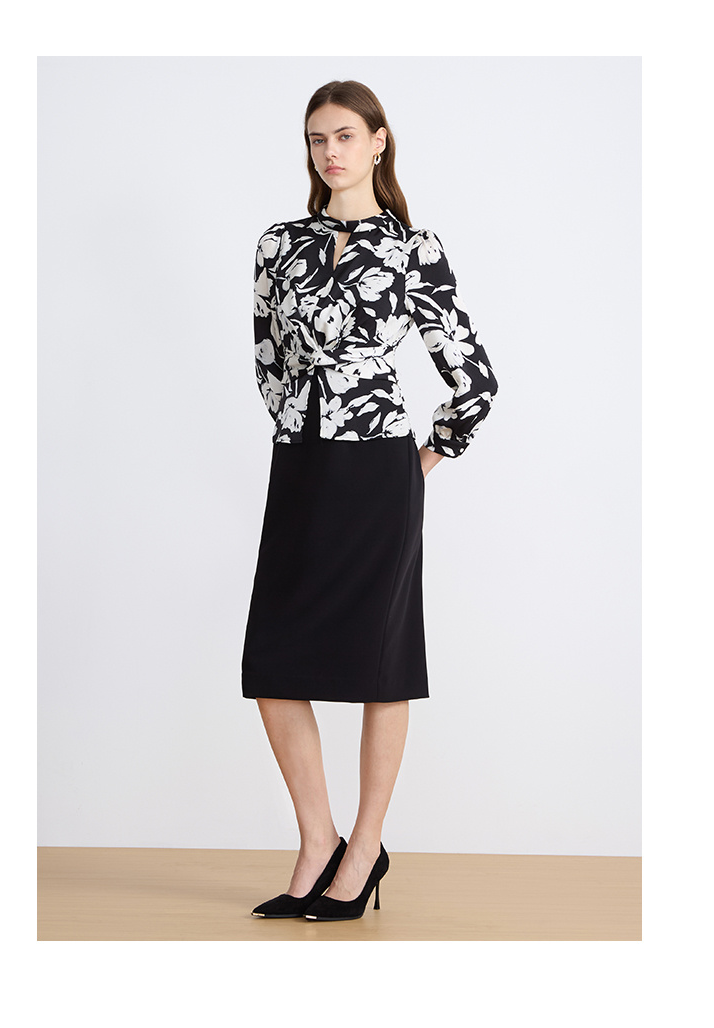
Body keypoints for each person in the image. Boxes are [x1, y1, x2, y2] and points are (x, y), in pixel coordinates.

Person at [241, 79, 499, 922]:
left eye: (345, 135)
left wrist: (426, 456)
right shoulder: (278, 244)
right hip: (301, 466)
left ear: (379, 141)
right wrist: (297, 426)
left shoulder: (414, 250)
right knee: (272, 663)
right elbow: (268, 358)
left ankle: (366, 848)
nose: (330, 152)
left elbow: (474, 377)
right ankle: (318, 840)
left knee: (381, 664)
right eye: (317, 138)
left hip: (380, 473)